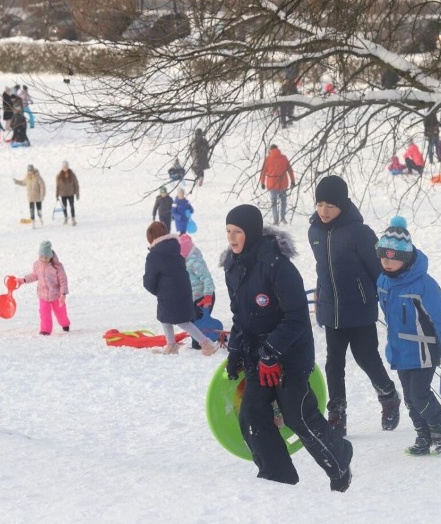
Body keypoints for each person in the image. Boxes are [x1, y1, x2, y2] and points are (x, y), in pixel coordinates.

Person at [223, 204, 353, 491]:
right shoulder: (233, 267)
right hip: (259, 356)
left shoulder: (278, 267)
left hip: (290, 355)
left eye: (238, 232)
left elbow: (296, 318)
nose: (232, 238)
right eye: (228, 232)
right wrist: (235, 350)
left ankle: (339, 456)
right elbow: (239, 317)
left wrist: (272, 352)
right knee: (251, 415)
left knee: (297, 416)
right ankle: (277, 479)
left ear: (252, 232)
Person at [308, 176, 400, 436]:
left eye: (330, 206)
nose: (324, 211)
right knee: (333, 364)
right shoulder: (314, 231)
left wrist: (385, 301)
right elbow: (322, 268)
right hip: (331, 309)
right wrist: (321, 297)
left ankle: (389, 396)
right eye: (320, 204)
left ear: (343, 205)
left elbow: (378, 270)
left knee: (367, 359)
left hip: (359, 309)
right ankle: (336, 415)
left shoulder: (360, 232)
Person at [375, 216, 441, 455]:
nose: (387, 264)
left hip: (424, 350)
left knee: (419, 395)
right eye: (383, 257)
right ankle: (423, 435)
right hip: (400, 350)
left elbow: (440, 320)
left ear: (407, 257)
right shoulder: (383, 281)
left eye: (394, 259)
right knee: (411, 400)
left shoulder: (424, 285)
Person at [143, 222, 218, 355]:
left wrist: (157, 290)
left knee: (182, 321)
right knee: (165, 318)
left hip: (168, 293)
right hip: (183, 291)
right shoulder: (177, 248)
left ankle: (207, 344)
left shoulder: (155, 255)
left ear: (151, 237)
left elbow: (149, 280)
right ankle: (171, 344)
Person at [15, 241, 71, 336]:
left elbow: (63, 281)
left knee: (61, 313)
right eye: (41, 257)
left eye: (46, 257)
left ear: (50, 256)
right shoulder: (37, 264)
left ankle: (65, 324)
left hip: (56, 295)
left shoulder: (57, 267)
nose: (44, 259)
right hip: (42, 295)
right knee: (44, 314)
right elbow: (34, 276)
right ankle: (45, 330)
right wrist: (23, 280)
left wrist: (63, 294)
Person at [177, 234, 217, 350]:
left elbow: (207, 279)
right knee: (193, 321)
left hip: (204, 297)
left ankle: (202, 343)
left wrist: (208, 296)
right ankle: (200, 341)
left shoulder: (194, 262)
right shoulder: (186, 262)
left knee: (198, 321)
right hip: (195, 298)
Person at [259, 144, 296, 225]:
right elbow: (290, 170)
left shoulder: (268, 159)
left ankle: (276, 221)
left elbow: (263, 172)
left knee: (274, 203)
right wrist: (293, 181)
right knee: (284, 202)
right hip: (283, 183)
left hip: (272, 184)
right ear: (277, 149)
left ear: (270, 150)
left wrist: (262, 182)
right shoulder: (283, 158)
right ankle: (282, 217)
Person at [56, 161, 80, 226]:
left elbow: (76, 184)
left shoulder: (72, 174)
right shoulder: (59, 176)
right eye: (64, 167)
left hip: (70, 193)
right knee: (64, 207)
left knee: (72, 206)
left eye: (66, 167)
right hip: (63, 194)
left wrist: (77, 194)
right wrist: (57, 195)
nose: (65, 168)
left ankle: (73, 218)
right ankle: (66, 217)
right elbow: (57, 186)